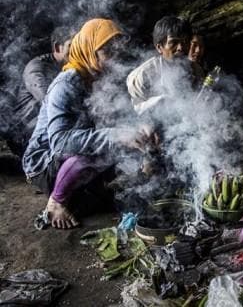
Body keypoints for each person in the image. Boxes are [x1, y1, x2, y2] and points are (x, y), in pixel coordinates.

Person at [22, 19, 152, 229]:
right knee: (106, 147)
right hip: (44, 163)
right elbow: (60, 143)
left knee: (108, 190)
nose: (115, 57)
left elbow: (124, 116)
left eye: (117, 49)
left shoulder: (101, 77)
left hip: (73, 157)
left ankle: (79, 188)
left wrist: (141, 126)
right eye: (106, 50)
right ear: (89, 49)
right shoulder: (65, 85)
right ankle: (56, 202)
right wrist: (116, 135)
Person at [9, 27, 73, 156]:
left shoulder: (69, 68)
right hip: (26, 136)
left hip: (47, 130)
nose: (78, 50)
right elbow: (49, 101)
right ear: (57, 47)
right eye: (72, 46)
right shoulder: (36, 68)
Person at [127, 16, 204, 114]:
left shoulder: (196, 70)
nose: (180, 47)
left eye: (184, 42)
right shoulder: (142, 76)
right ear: (159, 47)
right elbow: (134, 115)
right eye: (174, 42)